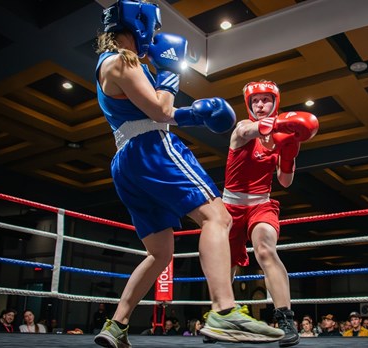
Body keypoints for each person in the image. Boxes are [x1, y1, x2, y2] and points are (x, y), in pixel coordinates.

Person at [93, 1, 283, 347]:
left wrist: (195, 115)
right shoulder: (124, 59)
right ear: (139, 25)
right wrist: (170, 71)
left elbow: (148, 112)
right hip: (152, 150)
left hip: (126, 161)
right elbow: (161, 109)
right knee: (218, 217)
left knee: (159, 253)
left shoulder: (106, 64)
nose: (153, 36)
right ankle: (224, 311)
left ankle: (116, 324)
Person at [222, 80, 319, 347]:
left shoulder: (281, 139)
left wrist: (288, 153)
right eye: (256, 101)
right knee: (226, 263)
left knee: (265, 249)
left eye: (266, 100)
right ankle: (221, 318)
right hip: (230, 206)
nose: (261, 105)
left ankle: (285, 318)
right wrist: (284, 125)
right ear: (249, 105)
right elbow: (252, 129)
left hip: (261, 204)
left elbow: (285, 182)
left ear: (275, 103)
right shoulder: (242, 128)